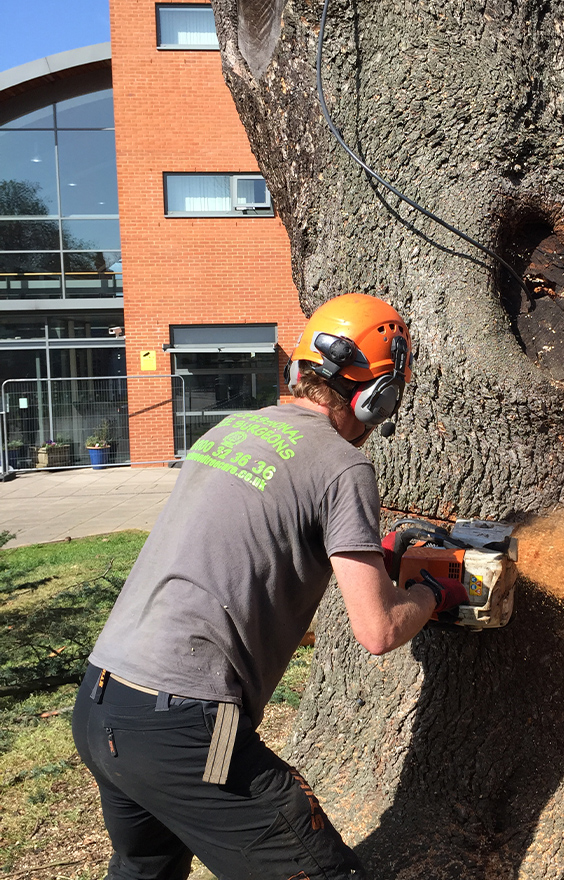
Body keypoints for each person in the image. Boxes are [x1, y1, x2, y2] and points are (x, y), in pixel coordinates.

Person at [72, 293, 467, 880]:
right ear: (378, 396)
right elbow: (379, 630)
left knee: (145, 869)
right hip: (185, 726)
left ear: (299, 370)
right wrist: (433, 591)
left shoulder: (232, 429)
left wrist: (369, 559)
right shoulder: (344, 465)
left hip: (102, 704)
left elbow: (245, 544)